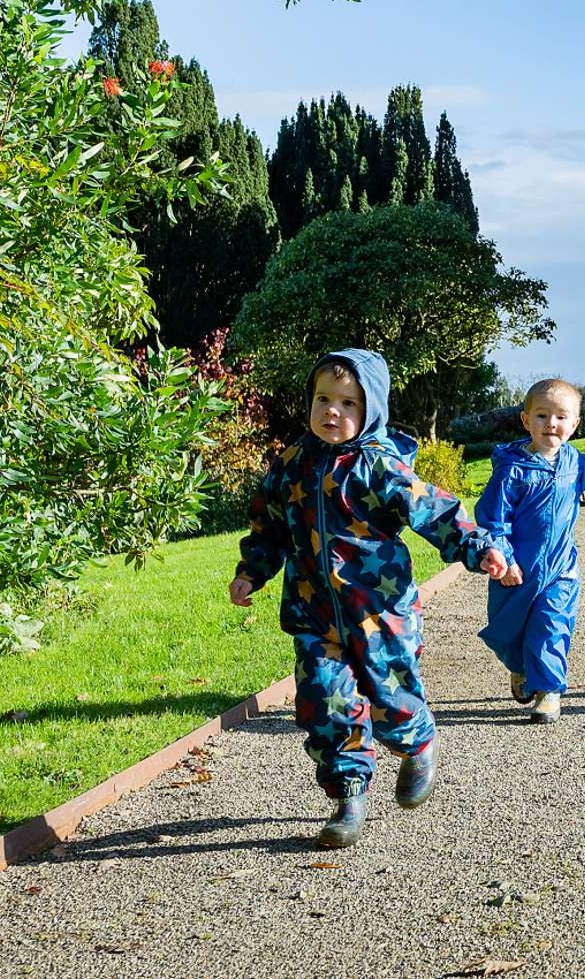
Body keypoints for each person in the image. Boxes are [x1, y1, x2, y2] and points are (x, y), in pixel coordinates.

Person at [230, 349, 517, 848]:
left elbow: (438, 512)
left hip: (380, 612)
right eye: (323, 399)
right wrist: (252, 573)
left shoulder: (380, 466)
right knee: (324, 698)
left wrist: (480, 548)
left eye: (348, 403)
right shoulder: (291, 466)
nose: (332, 412)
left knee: (391, 698)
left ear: (372, 410)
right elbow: (268, 527)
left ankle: (417, 743)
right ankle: (349, 795)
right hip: (313, 611)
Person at [476, 377, 585, 724]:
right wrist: (504, 557)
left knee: (551, 625)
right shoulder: (512, 470)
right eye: (543, 416)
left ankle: (548, 691)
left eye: (562, 417)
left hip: (560, 569)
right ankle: (520, 668)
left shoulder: (573, 462)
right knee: (510, 632)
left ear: (575, 424)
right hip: (518, 571)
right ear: (526, 420)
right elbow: (492, 518)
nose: (552, 424)